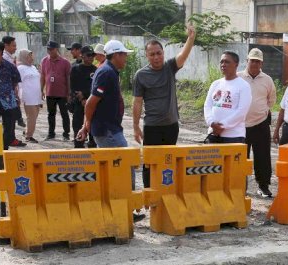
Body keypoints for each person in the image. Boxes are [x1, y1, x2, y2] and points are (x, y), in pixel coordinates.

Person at [76, 40, 144, 222]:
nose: (126, 58)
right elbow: (91, 102)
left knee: (115, 169)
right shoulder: (107, 73)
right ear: (116, 55)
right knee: (123, 167)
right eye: (124, 54)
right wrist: (86, 125)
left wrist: (87, 125)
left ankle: (117, 208)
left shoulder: (109, 71)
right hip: (108, 130)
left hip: (109, 128)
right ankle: (124, 209)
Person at [132, 23, 196, 187]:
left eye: (159, 53)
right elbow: (137, 101)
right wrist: (135, 126)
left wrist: (191, 38)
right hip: (152, 126)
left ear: (163, 53)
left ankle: (165, 190)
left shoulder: (169, 68)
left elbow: (182, 56)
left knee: (168, 161)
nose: (156, 57)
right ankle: (149, 192)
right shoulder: (141, 75)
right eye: (152, 54)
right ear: (147, 56)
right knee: (149, 161)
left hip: (171, 126)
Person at [238, 47, 277, 198]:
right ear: (247, 61)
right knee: (241, 158)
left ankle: (263, 186)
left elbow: (271, 100)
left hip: (261, 123)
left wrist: (261, 111)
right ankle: (240, 187)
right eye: (252, 60)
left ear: (261, 64)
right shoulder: (238, 77)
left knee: (263, 156)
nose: (254, 64)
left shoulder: (267, 80)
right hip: (241, 125)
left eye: (258, 61)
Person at [203, 51, 252, 144]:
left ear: (236, 64)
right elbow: (207, 105)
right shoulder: (215, 84)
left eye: (227, 62)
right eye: (221, 62)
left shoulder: (243, 86)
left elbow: (242, 111)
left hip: (233, 136)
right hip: (213, 133)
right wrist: (211, 123)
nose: (223, 64)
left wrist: (222, 126)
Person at [40, 40, 72, 140]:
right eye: (48, 49)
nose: (49, 51)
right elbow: (43, 76)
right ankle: (51, 133)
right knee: (51, 114)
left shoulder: (65, 62)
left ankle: (66, 134)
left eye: (51, 49)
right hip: (50, 92)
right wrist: (41, 90)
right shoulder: (44, 61)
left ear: (56, 49)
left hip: (62, 93)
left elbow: (68, 78)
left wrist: (69, 93)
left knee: (64, 114)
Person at [70, 45, 97, 148]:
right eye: (88, 55)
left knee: (92, 129)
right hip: (79, 103)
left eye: (92, 55)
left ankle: (92, 148)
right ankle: (78, 148)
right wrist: (81, 98)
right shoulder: (76, 69)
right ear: (82, 56)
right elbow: (73, 87)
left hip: (92, 103)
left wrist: (87, 98)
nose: (91, 57)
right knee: (78, 126)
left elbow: (95, 88)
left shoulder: (96, 70)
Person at [16, 49, 41, 144]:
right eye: (29, 56)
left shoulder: (33, 68)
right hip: (28, 95)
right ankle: (29, 136)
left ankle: (27, 131)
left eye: (32, 56)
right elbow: (19, 83)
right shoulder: (20, 68)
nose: (31, 58)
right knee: (32, 116)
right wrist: (20, 96)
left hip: (36, 96)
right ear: (24, 57)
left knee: (34, 116)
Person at [1, 35, 27, 130]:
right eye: (13, 45)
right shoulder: (4, 58)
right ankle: (9, 138)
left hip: (11, 89)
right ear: (6, 46)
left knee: (11, 116)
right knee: (9, 116)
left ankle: (11, 137)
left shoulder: (9, 57)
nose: (15, 48)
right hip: (7, 91)